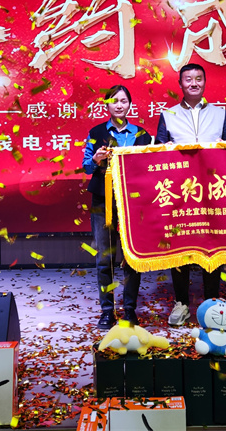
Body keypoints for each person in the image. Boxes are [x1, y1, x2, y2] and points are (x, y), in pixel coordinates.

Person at [155, 63, 226, 326]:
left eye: (198, 79)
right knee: (180, 248)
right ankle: (181, 303)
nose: (193, 83)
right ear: (180, 84)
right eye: (188, 79)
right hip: (180, 193)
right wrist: (166, 149)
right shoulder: (168, 114)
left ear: (205, 83)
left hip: (212, 191)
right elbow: (158, 152)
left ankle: (211, 303)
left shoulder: (220, 114)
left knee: (213, 245)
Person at [83, 85, 153, 329]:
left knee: (132, 257)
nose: (119, 105)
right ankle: (107, 311)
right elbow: (86, 167)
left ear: (130, 104)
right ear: (107, 105)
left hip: (133, 202)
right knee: (105, 258)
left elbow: (151, 168)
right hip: (103, 201)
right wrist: (96, 159)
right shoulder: (96, 132)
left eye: (123, 101)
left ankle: (130, 310)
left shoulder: (142, 135)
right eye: (114, 101)